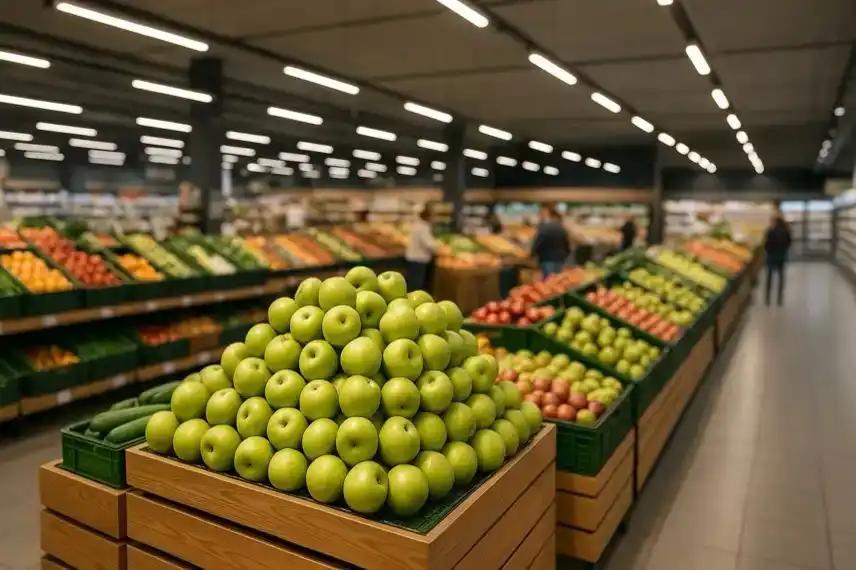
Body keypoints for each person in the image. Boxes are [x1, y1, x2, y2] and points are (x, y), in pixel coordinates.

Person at [530, 206, 570, 277]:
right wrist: (566, 254)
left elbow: (539, 242)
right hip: (560, 258)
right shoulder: (561, 228)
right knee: (557, 279)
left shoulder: (544, 227)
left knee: (548, 279)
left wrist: (532, 254)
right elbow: (566, 243)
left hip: (547, 258)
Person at [763, 211, 792, 306]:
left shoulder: (770, 231)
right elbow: (789, 243)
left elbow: (766, 244)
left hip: (771, 256)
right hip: (781, 256)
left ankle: (767, 298)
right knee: (781, 277)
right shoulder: (786, 231)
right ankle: (779, 299)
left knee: (769, 277)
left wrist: (768, 251)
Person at [406, 208, 437, 292]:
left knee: (412, 281)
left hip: (412, 257)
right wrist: (437, 249)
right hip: (420, 259)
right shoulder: (424, 227)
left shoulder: (415, 225)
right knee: (418, 284)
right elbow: (429, 244)